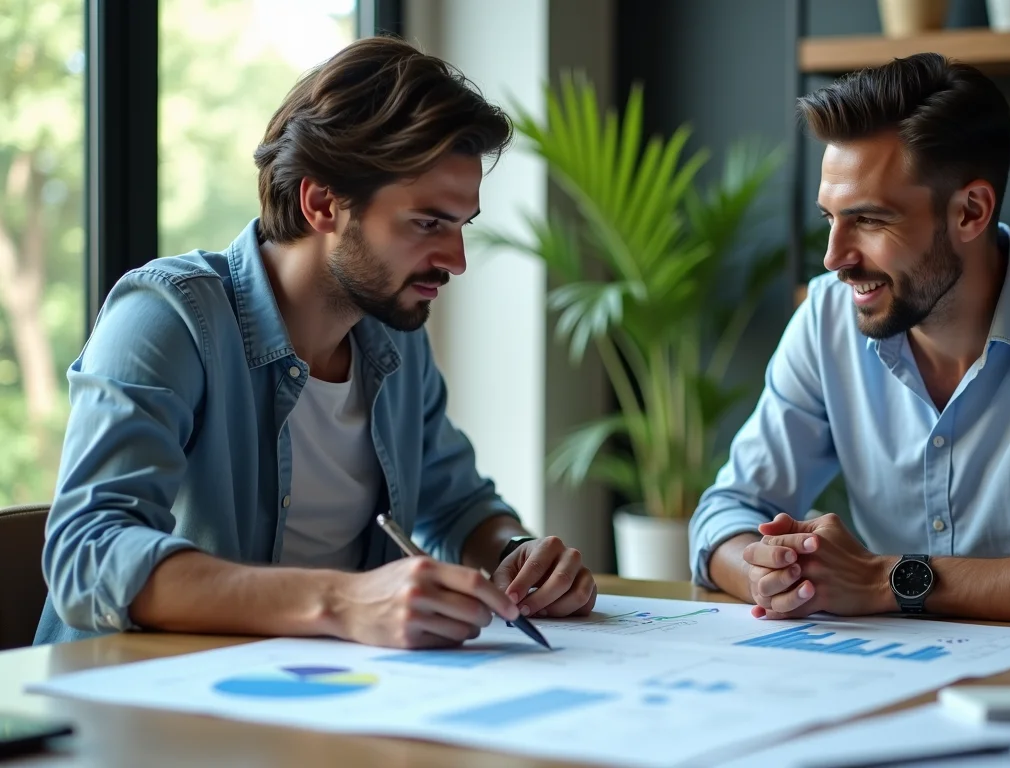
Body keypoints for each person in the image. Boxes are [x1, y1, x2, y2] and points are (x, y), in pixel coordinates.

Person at [36, 37, 596, 647]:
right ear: (323, 202)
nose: (456, 260)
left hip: (320, 691)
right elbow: (87, 554)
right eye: (428, 223)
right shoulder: (170, 317)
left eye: (461, 226)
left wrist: (518, 555)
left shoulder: (395, 337)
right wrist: (341, 602)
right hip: (137, 694)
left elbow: (459, 506)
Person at [689, 52, 1010, 629]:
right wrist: (774, 575)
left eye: (869, 220)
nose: (834, 258)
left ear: (970, 212)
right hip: (886, 670)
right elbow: (725, 513)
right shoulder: (826, 320)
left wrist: (886, 580)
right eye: (829, 219)